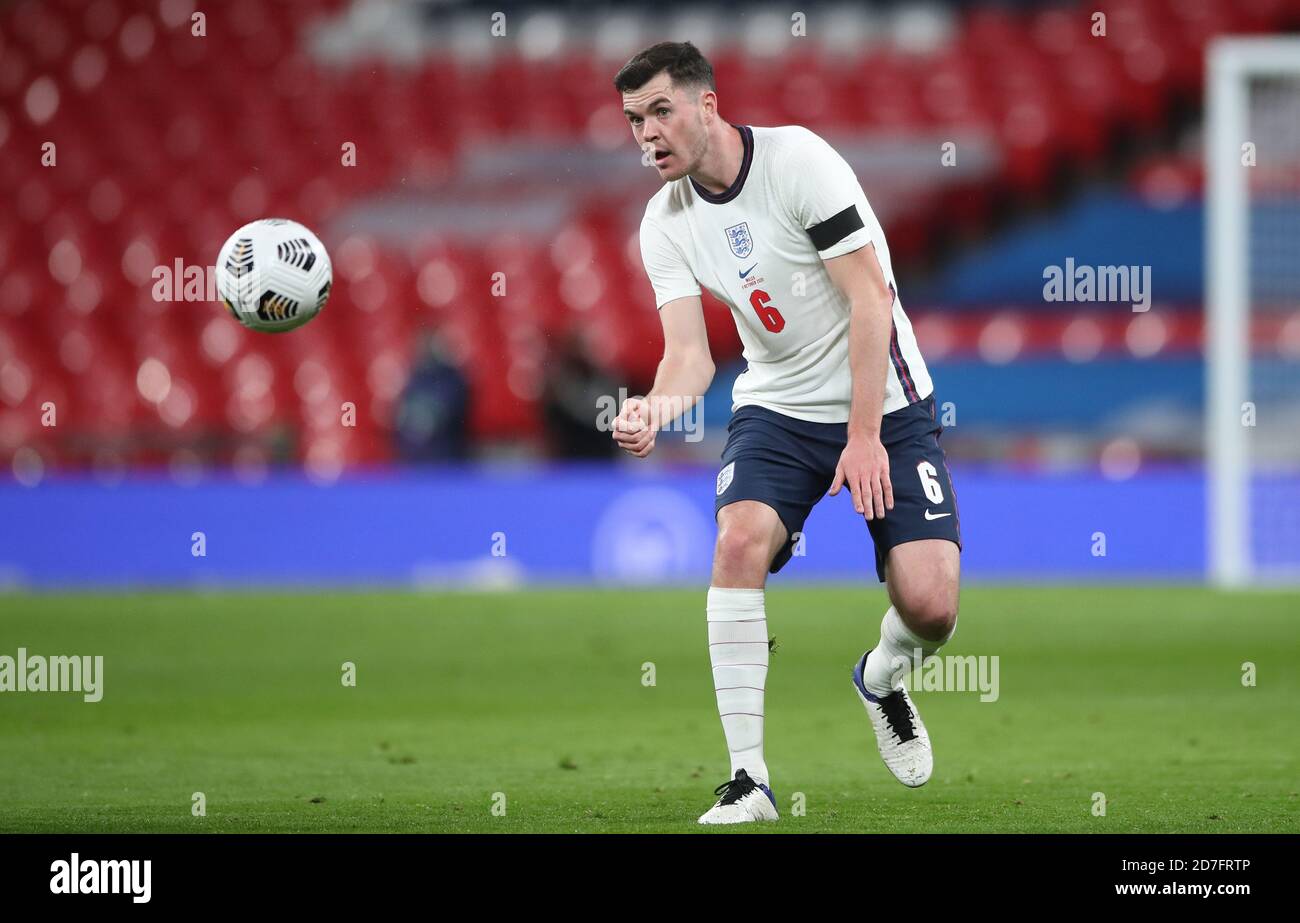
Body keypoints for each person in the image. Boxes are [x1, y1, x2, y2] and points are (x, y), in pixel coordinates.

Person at [610, 41, 962, 824]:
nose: (648, 135)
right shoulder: (664, 222)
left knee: (933, 605)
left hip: (887, 404)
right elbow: (689, 359)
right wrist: (654, 408)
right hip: (776, 407)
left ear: (707, 104)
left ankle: (883, 673)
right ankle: (749, 779)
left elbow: (870, 299)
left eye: (661, 111)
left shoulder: (799, 161)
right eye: (635, 121)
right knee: (737, 542)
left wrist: (864, 436)